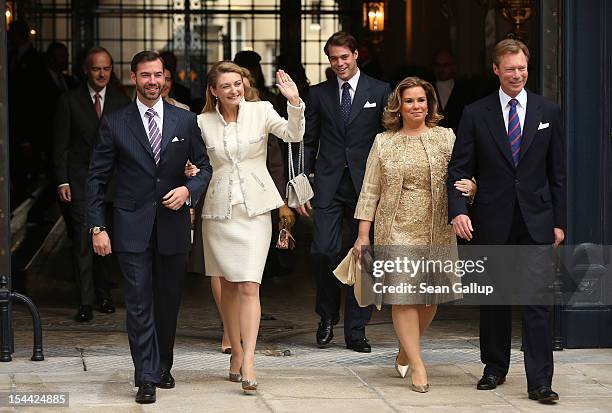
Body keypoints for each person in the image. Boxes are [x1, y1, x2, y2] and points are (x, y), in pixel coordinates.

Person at [87, 51, 211, 404]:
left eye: (158, 75)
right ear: (132, 78)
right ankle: (144, 375)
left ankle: (162, 365)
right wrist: (98, 227)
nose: (152, 82)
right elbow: (95, 179)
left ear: (166, 78)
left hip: (171, 226)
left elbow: (204, 167)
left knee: (168, 303)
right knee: (139, 302)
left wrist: (188, 190)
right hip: (130, 227)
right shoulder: (115, 122)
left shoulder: (184, 121)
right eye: (145, 76)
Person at [447, 38, 565, 403]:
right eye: (510, 68)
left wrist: (559, 221)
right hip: (492, 218)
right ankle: (494, 368)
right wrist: (458, 210)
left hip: (537, 219)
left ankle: (540, 382)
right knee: (494, 299)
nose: (517, 75)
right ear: (496, 70)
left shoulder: (549, 111)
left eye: (523, 68)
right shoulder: (475, 113)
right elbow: (458, 169)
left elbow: (557, 173)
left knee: (536, 302)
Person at [353, 77, 475, 393]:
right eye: (409, 101)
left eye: (421, 100)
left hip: (436, 227)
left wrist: (472, 187)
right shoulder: (384, 142)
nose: (416, 106)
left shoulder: (446, 138)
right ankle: (419, 365)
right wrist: (363, 236)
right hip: (395, 226)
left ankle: (407, 349)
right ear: (398, 106)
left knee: (430, 296)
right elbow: (369, 190)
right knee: (404, 295)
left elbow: (463, 174)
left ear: (429, 104)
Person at [197, 61, 304, 393]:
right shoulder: (201, 122)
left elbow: (293, 134)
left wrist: (294, 102)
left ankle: (250, 360)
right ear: (214, 91)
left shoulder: (261, 110)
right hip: (218, 214)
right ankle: (236, 350)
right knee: (227, 287)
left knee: (248, 286)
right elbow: (195, 162)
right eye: (226, 86)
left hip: (256, 211)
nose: (234, 90)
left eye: (237, 84)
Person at [298, 31, 391, 353]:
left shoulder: (379, 90)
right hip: (328, 184)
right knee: (323, 250)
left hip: (368, 185)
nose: (339, 63)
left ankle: (356, 330)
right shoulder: (319, 93)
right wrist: (302, 183)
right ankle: (326, 316)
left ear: (356, 55)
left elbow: (387, 139)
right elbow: (308, 141)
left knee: (365, 257)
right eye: (333, 59)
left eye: (344, 57)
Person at [54, 46, 131, 322]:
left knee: (106, 241)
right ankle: (85, 301)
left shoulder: (122, 102)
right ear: (86, 70)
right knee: (84, 242)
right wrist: (62, 179)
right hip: (79, 181)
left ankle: (104, 295)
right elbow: (60, 145)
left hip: (112, 184)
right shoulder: (69, 100)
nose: (102, 73)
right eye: (96, 68)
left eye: (106, 68)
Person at [432, 49, 473, 133]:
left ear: (454, 66)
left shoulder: (465, 91)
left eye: (445, 65)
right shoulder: (426, 90)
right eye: (438, 65)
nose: (441, 69)